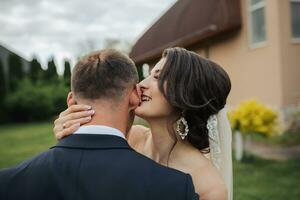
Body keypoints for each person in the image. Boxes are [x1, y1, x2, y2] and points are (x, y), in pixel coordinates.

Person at [0, 49, 199, 200]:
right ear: (133, 96)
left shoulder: (7, 181)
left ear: (71, 100)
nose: (145, 86)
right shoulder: (175, 188)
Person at [54, 47, 233, 200]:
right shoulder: (129, 137)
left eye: (158, 77)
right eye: (147, 76)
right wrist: (70, 132)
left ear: (186, 93)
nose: (140, 85)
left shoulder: (209, 186)